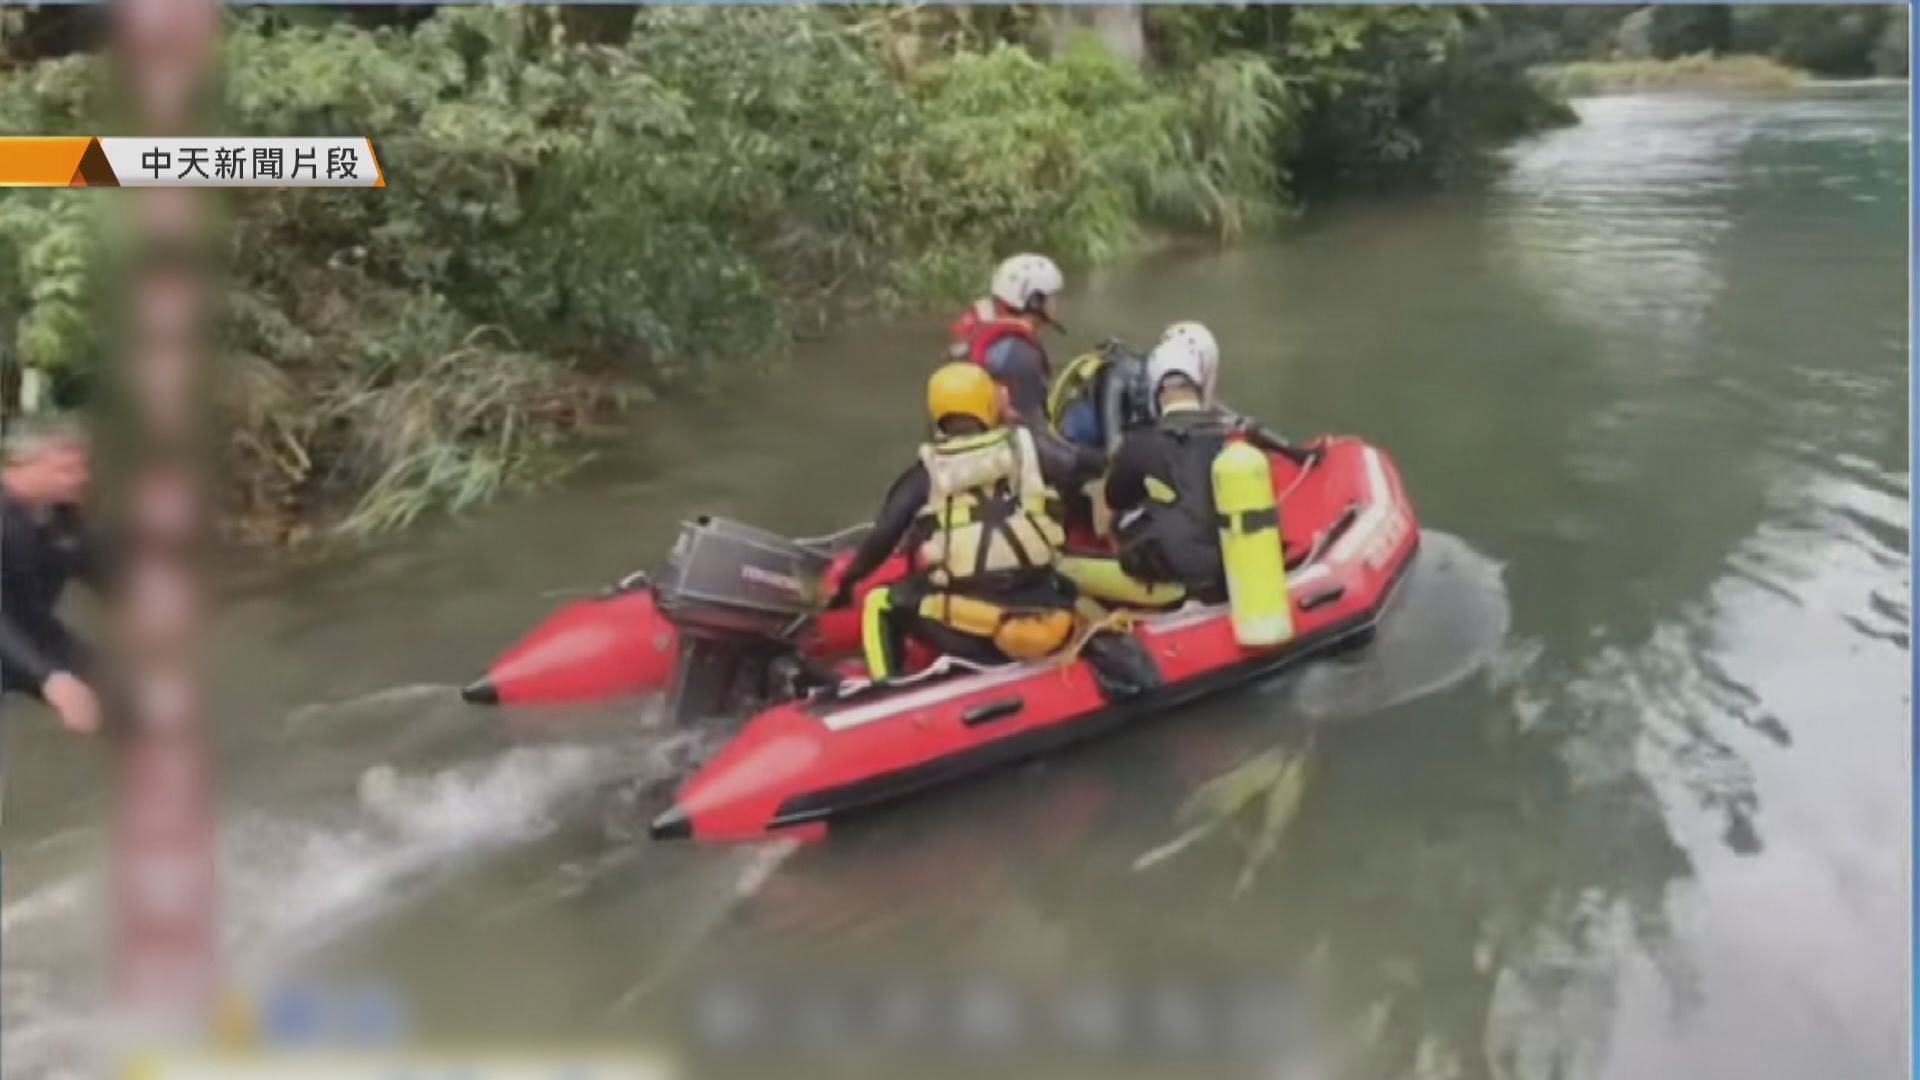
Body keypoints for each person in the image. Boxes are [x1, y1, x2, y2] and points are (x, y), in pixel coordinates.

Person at [826, 363, 1095, 680]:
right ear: (988, 403)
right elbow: (1083, 468)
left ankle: (886, 690)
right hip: (1049, 618)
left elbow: (883, 536)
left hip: (978, 633)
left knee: (879, 603)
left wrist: (846, 584)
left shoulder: (926, 474)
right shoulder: (1030, 449)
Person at [1089, 322, 1320, 606]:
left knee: (1117, 524)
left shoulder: (1139, 443)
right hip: (1233, 568)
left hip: (1179, 573)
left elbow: (1112, 505)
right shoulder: (1229, 438)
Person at [1, 420, 105, 734]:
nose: (81, 478)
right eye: (65, 469)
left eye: (82, 468)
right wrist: (49, 677)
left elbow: (97, 564)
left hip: (32, 637)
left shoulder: (59, 515)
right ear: (22, 463)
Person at [947, 254, 1067, 426]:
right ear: (1035, 301)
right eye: (1052, 297)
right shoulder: (1021, 356)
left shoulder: (977, 331)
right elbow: (1034, 427)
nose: (1055, 304)